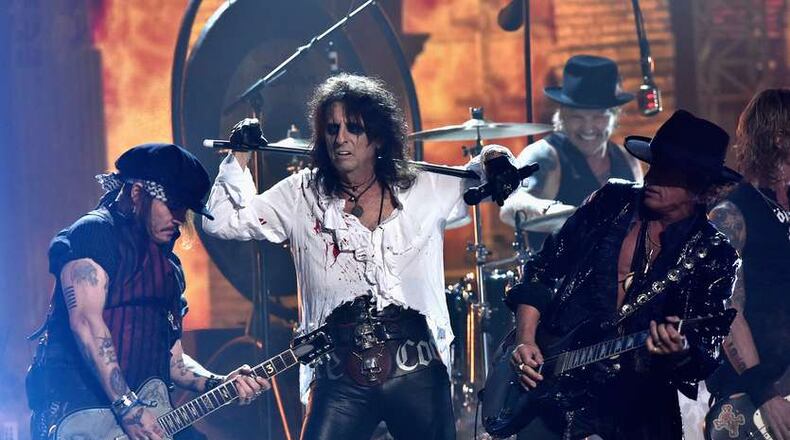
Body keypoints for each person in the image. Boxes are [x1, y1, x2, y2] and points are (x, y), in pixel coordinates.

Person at [203, 73, 511, 440]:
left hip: (417, 367)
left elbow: (482, 173)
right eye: (332, 129)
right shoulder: (302, 194)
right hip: (337, 374)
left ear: (378, 136)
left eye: (354, 128)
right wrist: (238, 156)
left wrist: (498, 158)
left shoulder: (423, 186)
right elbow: (222, 222)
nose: (341, 138)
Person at [506, 110, 741, 439]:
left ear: (701, 188)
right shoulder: (610, 201)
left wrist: (680, 349)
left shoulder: (714, 254)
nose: (653, 176)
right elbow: (543, 270)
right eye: (654, 164)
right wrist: (525, 340)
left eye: (670, 172)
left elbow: (705, 354)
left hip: (637, 408)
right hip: (553, 389)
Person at [26, 144, 269, 440]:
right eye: (173, 206)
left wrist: (217, 383)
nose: (180, 218)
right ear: (138, 193)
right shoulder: (94, 233)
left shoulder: (168, 267)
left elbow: (173, 362)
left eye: (185, 209)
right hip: (81, 417)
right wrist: (128, 407)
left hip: (144, 415)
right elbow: (86, 323)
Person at [707, 88, 790, 440]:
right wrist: (765, 393)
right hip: (754, 398)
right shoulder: (731, 215)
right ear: (778, 138)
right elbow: (726, 312)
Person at [499, 54, 643, 247]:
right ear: (562, 117)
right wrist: (568, 215)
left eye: (599, 117)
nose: (588, 127)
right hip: (556, 274)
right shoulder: (544, 155)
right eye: (577, 117)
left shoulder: (627, 160)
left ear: (614, 117)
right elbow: (510, 206)